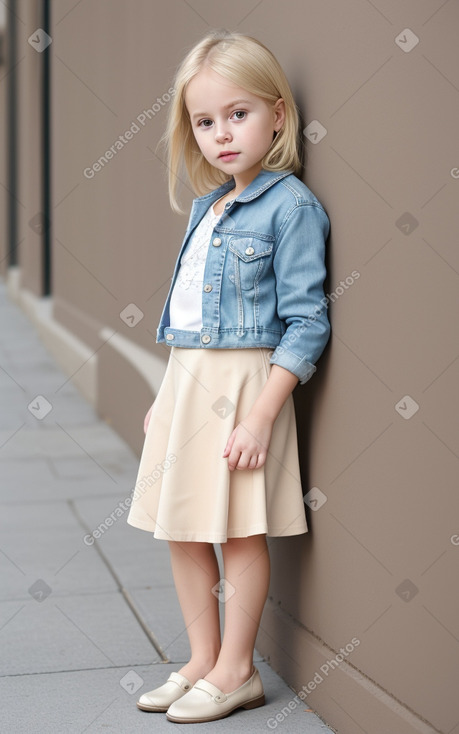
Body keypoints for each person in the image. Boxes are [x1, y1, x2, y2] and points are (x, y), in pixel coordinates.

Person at [127, 29, 331, 724]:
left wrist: (261, 414)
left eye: (236, 115)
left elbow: (306, 323)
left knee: (238, 531)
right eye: (204, 121)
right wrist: (165, 396)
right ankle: (202, 659)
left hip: (244, 390)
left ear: (278, 114)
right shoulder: (205, 207)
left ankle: (238, 668)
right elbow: (188, 318)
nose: (219, 134)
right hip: (188, 385)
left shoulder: (291, 207)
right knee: (180, 528)